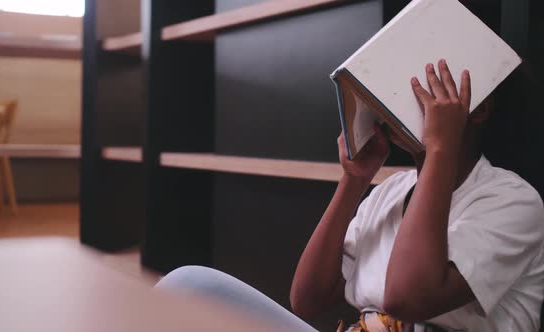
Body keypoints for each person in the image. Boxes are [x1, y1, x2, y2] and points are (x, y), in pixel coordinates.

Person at [156, 60, 544, 331]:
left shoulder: (513, 200)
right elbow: (306, 298)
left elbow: (407, 298)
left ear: (476, 111)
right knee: (190, 285)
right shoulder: (391, 190)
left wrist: (441, 148)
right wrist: (354, 180)